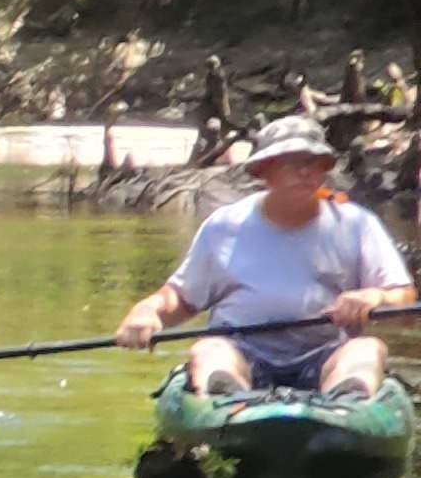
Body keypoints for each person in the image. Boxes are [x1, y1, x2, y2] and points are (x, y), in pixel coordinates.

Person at [114, 114, 413, 396]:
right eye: (291, 162)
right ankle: (225, 402)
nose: (305, 171)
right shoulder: (224, 226)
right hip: (240, 353)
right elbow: (181, 299)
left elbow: (404, 299)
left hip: (326, 356)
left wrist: (375, 298)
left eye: (314, 162)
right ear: (263, 171)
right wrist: (147, 311)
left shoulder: (356, 224)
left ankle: (347, 408)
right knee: (208, 350)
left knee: (367, 349)